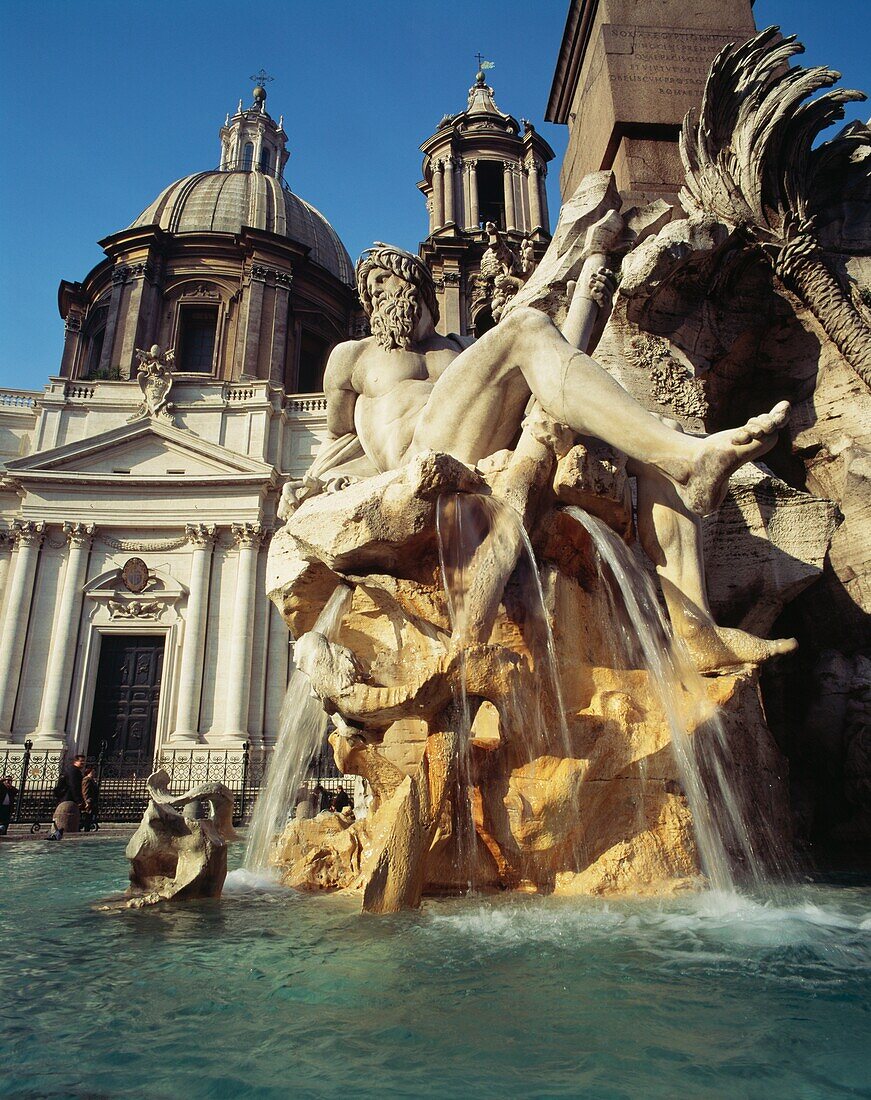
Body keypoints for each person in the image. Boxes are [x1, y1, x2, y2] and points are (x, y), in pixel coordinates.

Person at [281, 243, 796, 671]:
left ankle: (694, 629)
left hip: (480, 450)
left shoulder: (459, 349)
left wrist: (588, 292)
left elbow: (557, 377)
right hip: (423, 460)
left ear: (417, 288)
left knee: (644, 441)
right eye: (371, 292)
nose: (381, 299)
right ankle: (689, 459)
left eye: (390, 285)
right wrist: (314, 485)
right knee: (526, 326)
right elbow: (337, 441)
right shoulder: (353, 356)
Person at [80, 765, 99, 831]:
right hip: (89, 800)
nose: (94, 773)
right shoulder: (87, 779)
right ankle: (86, 827)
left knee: (91, 815)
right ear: (88, 772)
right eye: (92, 772)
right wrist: (87, 800)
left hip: (93, 800)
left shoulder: (92, 780)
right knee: (88, 815)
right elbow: (85, 790)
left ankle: (88, 827)